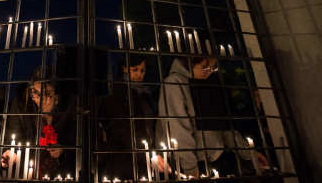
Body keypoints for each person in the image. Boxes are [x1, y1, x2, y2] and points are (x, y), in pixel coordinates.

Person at [159, 48, 267, 178]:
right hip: (185, 164)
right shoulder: (174, 82)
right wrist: (189, 165)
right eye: (204, 67)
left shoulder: (209, 84)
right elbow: (177, 126)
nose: (208, 72)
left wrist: (250, 153)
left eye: (212, 68)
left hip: (213, 162)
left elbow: (222, 127)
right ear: (190, 63)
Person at [97, 54, 170, 181]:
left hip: (144, 155)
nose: (139, 74)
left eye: (142, 70)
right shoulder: (117, 91)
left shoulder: (143, 93)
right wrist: (146, 154)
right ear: (124, 68)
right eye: (134, 69)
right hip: (124, 158)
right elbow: (121, 128)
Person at [1, 65, 77, 179]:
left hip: (58, 171)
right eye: (35, 92)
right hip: (25, 168)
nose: (39, 99)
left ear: (56, 94)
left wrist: (63, 147)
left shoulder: (68, 105)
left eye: (46, 94)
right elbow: (14, 132)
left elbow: (74, 134)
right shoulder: (22, 103)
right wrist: (13, 151)